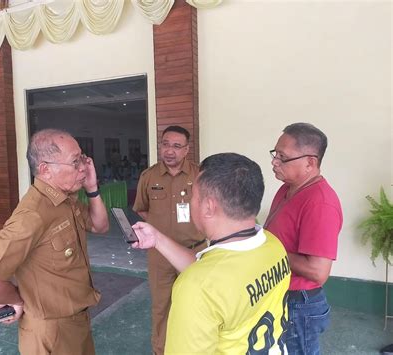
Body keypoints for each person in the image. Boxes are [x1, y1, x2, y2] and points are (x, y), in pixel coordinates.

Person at [0, 129, 109, 355]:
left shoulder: (66, 200)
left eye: (82, 158)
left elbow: (100, 226)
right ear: (46, 169)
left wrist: (92, 189)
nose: (83, 167)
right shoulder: (32, 214)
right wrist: (17, 299)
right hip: (52, 331)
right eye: (75, 162)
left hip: (77, 321)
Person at [132, 153, 291, 353]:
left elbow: (207, 283)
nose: (191, 202)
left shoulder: (196, 289)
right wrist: (158, 239)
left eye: (193, 196)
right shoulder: (273, 245)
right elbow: (216, 281)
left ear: (208, 207)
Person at [264, 122, 343, 354]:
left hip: (300, 304)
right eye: (275, 154)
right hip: (281, 295)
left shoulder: (320, 203)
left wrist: (267, 247)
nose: (274, 161)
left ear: (310, 162)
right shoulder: (287, 188)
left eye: (282, 157)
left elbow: (319, 272)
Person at [133, 125, 205, 354]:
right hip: (160, 256)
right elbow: (142, 209)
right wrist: (160, 233)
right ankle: (161, 349)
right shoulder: (148, 176)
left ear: (186, 149)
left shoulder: (201, 175)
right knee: (162, 306)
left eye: (176, 146)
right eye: (165, 144)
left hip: (195, 252)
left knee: (196, 304)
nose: (169, 151)